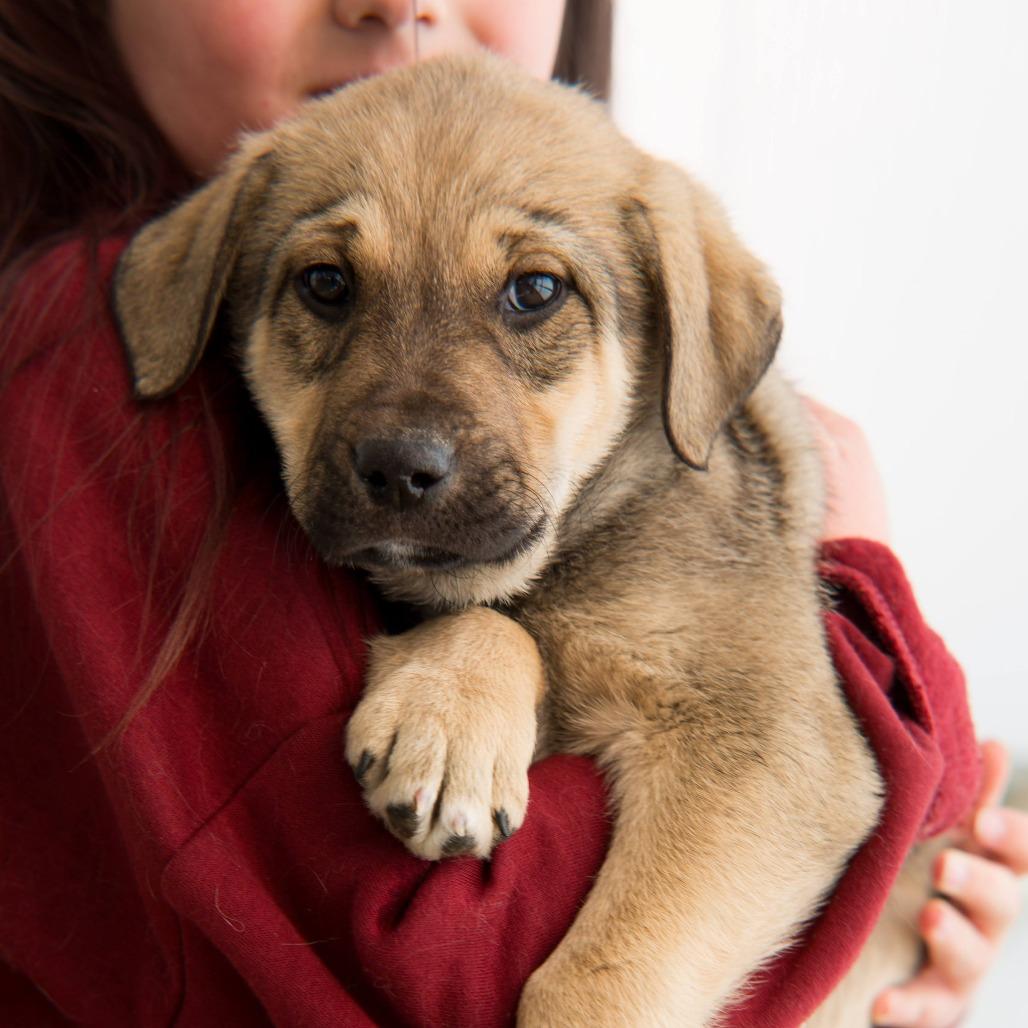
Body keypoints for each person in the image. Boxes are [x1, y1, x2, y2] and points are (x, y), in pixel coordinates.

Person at [0, 3, 1024, 1026]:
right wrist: (871, 617)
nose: (409, 444)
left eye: (533, 292)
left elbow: (788, 777)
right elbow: (438, 972)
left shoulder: (675, 500)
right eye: (328, 284)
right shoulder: (89, 373)